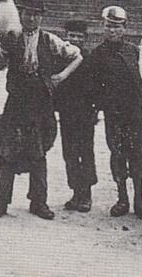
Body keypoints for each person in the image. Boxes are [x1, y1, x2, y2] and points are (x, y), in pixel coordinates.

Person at [0, 0, 81, 220]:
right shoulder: (11, 38)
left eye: (37, 15)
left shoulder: (49, 40)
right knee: (7, 154)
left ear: (42, 18)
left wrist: (62, 76)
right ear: (21, 14)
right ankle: (0, 202)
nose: (32, 19)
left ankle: (39, 202)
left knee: (38, 155)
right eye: (28, 14)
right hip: (16, 105)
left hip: (41, 105)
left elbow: (77, 56)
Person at [87, 4, 142, 221]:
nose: (113, 31)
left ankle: (139, 200)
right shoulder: (97, 55)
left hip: (134, 112)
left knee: (137, 153)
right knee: (117, 154)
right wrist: (96, 108)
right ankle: (122, 198)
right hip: (113, 114)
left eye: (117, 27)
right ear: (103, 27)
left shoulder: (134, 51)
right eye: (109, 26)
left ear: (125, 28)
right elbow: (92, 87)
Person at [53, 18, 98, 213]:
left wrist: (95, 109)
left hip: (85, 114)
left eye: (79, 36)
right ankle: (75, 191)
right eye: (72, 36)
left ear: (85, 39)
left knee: (85, 152)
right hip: (66, 113)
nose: (75, 40)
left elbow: (98, 88)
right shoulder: (61, 58)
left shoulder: (90, 59)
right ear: (66, 37)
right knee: (69, 153)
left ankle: (86, 193)